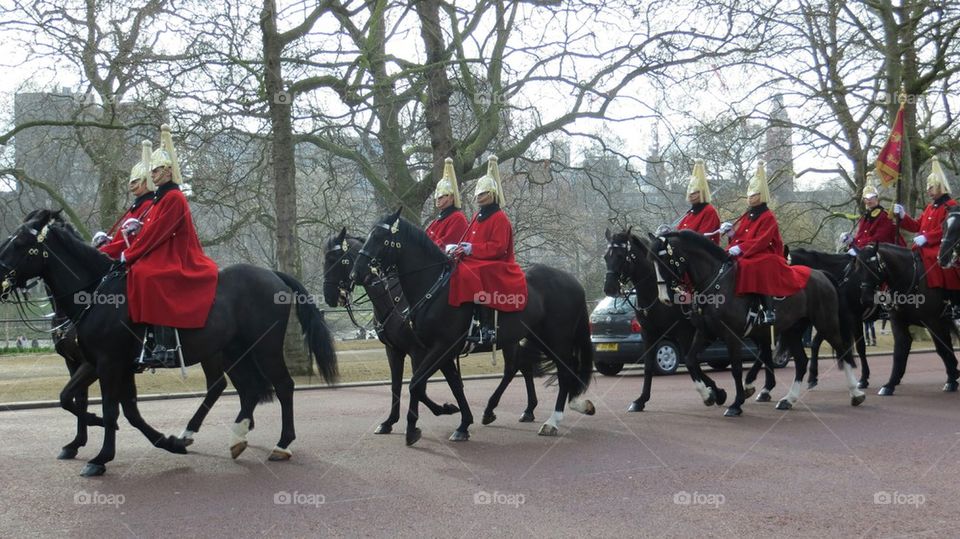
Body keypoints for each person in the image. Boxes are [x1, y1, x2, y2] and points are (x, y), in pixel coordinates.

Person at [121, 124, 219, 369]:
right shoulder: (160, 198)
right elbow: (149, 231)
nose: (151, 175)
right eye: (151, 171)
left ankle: (165, 345)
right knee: (138, 271)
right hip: (162, 251)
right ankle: (147, 338)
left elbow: (159, 233)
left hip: (179, 255)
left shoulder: (174, 197)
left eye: (155, 171)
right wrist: (135, 232)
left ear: (167, 171)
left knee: (150, 276)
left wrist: (130, 253)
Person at [448, 155, 527, 345]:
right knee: (456, 270)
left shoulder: (500, 218)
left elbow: (498, 248)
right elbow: (468, 239)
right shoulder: (477, 215)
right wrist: (459, 248)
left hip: (497, 262)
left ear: (492, 194)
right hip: (478, 258)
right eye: (478, 195)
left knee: (474, 273)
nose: (479, 198)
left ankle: (487, 326)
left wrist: (472, 249)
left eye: (482, 195)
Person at [721, 160, 811, 325]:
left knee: (751, 265)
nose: (750, 199)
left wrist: (740, 248)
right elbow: (741, 236)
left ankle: (767, 309)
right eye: (749, 195)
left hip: (767, 253)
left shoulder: (767, 216)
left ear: (761, 196)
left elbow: (762, 241)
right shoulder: (748, 215)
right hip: (749, 252)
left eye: (754, 195)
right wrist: (732, 234)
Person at [893, 157, 960, 318]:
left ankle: (951, 301)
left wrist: (927, 238)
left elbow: (947, 230)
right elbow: (916, 226)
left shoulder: (950, 206)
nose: (928, 191)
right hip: (923, 247)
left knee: (940, 262)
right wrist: (903, 216)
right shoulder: (929, 207)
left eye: (931, 188)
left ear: (939, 187)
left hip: (941, 245)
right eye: (928, 188)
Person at [94, 141, 156, 258]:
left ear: (146, 182)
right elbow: (120, 237)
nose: (131, 185)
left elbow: (130, 240)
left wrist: (104, 250)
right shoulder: (138, 205)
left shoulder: (148, 206)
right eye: (131, 182)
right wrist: (106, 243)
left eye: (135, 181)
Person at [839, 172, 903, 255]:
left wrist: (858, 248)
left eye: (872, 197)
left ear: (877, 198)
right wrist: (851, 241)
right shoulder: (865, 217)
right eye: (866, 198)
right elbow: (861, 237)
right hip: (865, 251)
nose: (869, 200)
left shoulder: (884, 215)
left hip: (880, 253)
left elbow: (879, 238)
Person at [425, 157, 468, 249]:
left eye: (441, 197)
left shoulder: (458, 218)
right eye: (436, 197)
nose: (437, 199)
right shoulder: (439, 219)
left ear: (451, 197)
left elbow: (447, 243)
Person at [676, 159, 721, 243]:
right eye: (689, 192)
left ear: (702, 194)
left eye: (694, 193)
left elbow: (703, 238)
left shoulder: (709, 210)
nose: (690, 195)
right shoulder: (691, 212)